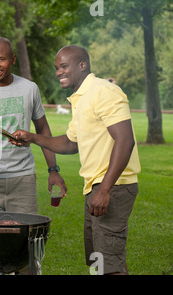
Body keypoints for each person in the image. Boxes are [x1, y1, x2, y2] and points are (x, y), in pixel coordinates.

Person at [10, 45, 141, 275]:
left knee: (107, 265)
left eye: (64, 66)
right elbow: (71, 143)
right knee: (103, 261)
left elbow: (125, 141)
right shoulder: (81, 98)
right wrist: (32, 137)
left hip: (113, 186)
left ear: (83, 65)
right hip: (97, 186)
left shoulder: (103, 91)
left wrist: (105, 189)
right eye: (56, 68)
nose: (58, 72)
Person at [0, 37, 66, 214]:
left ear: (13, 59)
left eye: (1, 59)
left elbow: (42, 129)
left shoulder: (29, 89)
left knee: (23, 237)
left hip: (22, 179)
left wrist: (53, 169)